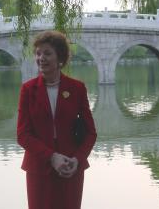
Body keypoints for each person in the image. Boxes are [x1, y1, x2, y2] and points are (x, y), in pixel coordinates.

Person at [17, 30, 97, 209]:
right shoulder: (28, 90)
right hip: (39, 167)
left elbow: (91, 133)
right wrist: (52, 157)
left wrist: (78, 158)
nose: (41, 58)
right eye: (38, 53)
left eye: (47, 53)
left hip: (70, 168)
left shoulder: (77, 88)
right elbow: (22, 135)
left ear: (60, 57)